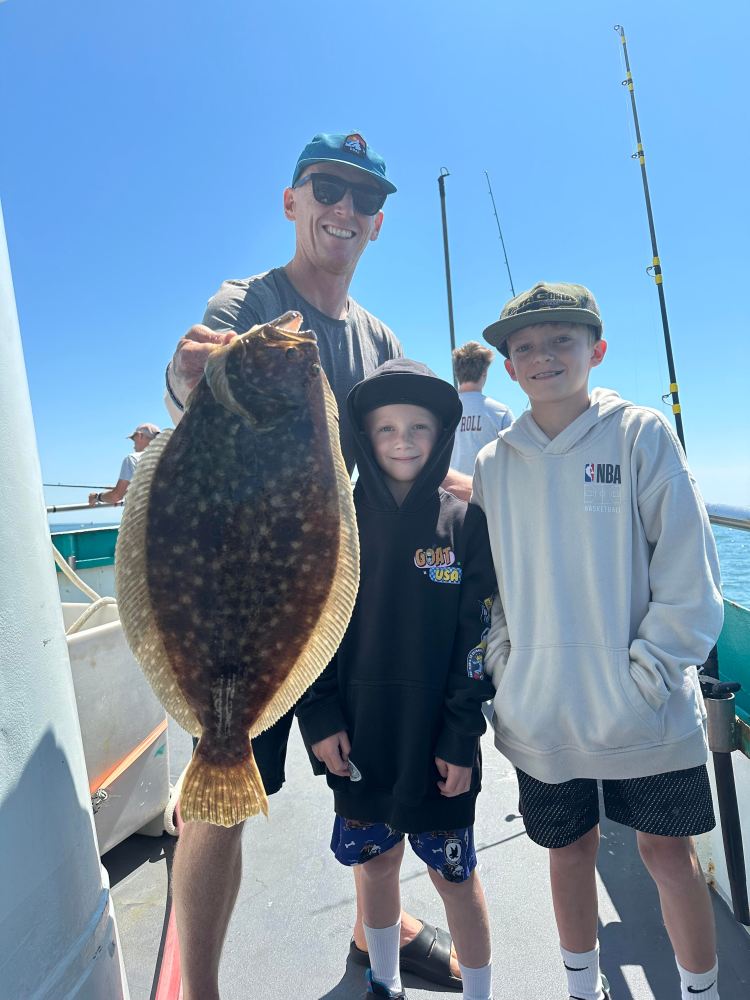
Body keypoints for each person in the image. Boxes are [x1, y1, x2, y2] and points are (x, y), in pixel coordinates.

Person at [164, 133, 462, 998]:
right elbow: (186, 375)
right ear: (291, 200)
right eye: (327, 187)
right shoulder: (248, 300)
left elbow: (408, 461)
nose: (346, 208)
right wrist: (200, 367)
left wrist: (505, 492)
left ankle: (381, 935)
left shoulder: (378, 337)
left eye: (365, 199)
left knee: (369, 786)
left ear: (378, 224)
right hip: (240, 593)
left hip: (347, 597)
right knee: (221, 791)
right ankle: (205, 989)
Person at [473, 281, 724, 1000]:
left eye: (562, 340)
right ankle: (583, 989)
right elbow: (488, 595)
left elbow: (690, 579)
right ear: (509, 368)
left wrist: (645, 679)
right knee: (567, 851)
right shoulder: (494, 465)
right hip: (540, 714)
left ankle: (701, 991)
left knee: (668, 856)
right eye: (525, 347)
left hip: (646, 713)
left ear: (597, 349)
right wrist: (507, 672)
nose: (543, 356)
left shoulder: (642, 434)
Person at [297, 359, 496, 1000]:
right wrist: (321, 720)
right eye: (385, 429)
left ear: (442, 436)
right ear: (362, 437)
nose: (403, 440)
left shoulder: (467, 525)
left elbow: (478, 642)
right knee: (376, 865)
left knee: (455, 878)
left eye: (418, 427)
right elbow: (311, 633)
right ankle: (384, 980)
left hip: (441, 745)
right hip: (360, 739)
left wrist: (462, 737)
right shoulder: (336, 524)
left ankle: (480, 990)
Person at [449, 341, 513, 476]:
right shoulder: (500, 413)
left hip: (449, 494)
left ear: (456, 372)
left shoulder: (442, 413)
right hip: (489, 493)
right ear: (484, 372)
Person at [88, 423, 160, 506]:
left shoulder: (133, 459)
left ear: (140, 436)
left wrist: (97, 497)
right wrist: (125, 488)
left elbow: (116, 496)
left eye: (134, 439)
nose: (133, 445)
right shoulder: (170, 457)